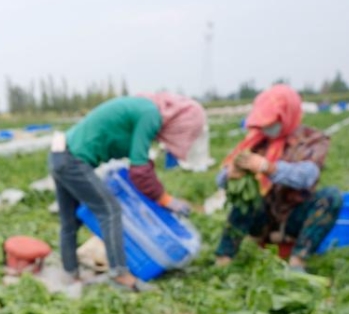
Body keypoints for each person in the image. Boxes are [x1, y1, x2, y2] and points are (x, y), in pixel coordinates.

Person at [49, 93, 207, 292]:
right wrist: (165, 199)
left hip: (58, 154)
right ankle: (120, 274)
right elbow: (139, 170)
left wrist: (150, 180)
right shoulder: (151, 114)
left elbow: (136, 158)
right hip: (73, 160)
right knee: (110, 210)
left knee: (69, 222)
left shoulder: (144, 109)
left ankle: (70, 275)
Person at [214, 84, 342, 272]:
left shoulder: (312, 139)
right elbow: (221, 180)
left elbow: (306, 176)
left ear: (287, 116)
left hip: (294, 215)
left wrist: (268, 167)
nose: (267, 127)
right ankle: (223, 258)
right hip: (264, 216)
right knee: (245, 200)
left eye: (272, 121)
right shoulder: (257, 141)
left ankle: (298, 261)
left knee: (331, 197)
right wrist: (229, 175)